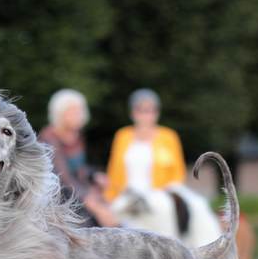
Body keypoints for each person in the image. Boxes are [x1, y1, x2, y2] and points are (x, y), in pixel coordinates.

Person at [105, 89, 223, 248]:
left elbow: (177, 173)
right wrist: (109, 198)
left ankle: (197, 250)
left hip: (159, 193)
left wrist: (165, 191)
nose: (146, 115)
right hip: (129, 194)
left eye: (151, 110)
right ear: (133, 113)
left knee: (194, 206)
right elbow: (114, 172)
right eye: (142, 110)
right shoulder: (123, 136)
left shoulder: (168, 137)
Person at [38, 89, 118, 227]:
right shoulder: (49, 138)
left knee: (115, 216)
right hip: (58, 198)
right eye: (72, 112)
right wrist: (92, 202)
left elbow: (79, 168)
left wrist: (94, 175)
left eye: (80, 111)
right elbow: (63, 177)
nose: (78, 116)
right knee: (93, 221)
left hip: (78, 192)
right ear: (59, 114)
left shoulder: (76, 136)